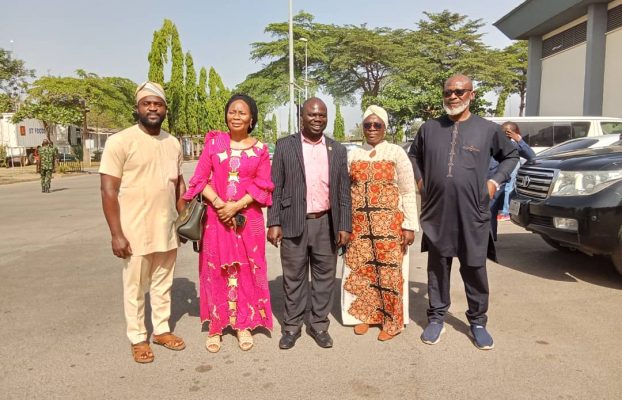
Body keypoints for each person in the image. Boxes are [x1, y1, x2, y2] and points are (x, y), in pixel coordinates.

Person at [409, 74, 518, 350]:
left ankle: (478, 322)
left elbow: (511, 156)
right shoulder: (429, 128)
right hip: (437, 212)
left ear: (472, 94)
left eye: (459, 91)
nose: (453, 97)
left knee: (474, 267)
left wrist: (494, 183)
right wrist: (421, 182)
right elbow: (413, 156)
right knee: (438, 267)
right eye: (448, 92)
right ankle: (436, 318)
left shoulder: (487, 129)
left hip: (473, 211)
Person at [100, 81, 186, 364]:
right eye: (147, 103)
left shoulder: (173, 143)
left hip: (166, 227)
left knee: (163, 282)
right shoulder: (120, 141)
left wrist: (183, 221)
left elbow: (178, 185)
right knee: (135, 286)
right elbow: (108, 190)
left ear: (165, 109)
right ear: (136, 107)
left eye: (158, 104)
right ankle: (138, 337)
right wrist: (116, 234)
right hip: (133, 229)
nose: (152, 108)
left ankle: (161, 330)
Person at [182, 94, 274, 353]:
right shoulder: (214, 144)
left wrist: (235, 206)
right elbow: (199, 180)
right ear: (226, 115)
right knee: (215, 271)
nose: (236, 116)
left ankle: (244, 324)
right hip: (216, 220)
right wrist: (221, 204)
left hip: (248, 220)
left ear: (251, 118)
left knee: (247, 269)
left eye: (242, 112)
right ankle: (216, 326)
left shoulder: (260, 149)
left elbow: (263, 184)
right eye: (232, 111)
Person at [267, 97, 352, 350]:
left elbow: (343, 191)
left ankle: (319, 325)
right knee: (293, 277)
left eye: (322, 115)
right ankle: (292, 326)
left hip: (326, 222)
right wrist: (274, 221)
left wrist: (344, 225)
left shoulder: (337, 150)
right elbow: (276, 187)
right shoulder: (285, 146)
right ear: (302, 116)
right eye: (312, 114)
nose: (317, 119)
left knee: (324, 277)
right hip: (294, 221)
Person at [341, 105, 419, 341]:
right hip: (360, 226)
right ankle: (367, 315)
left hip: (389, 227)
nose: (372, 129)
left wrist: (409, 225)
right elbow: (346, 189)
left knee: (389, 274)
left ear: (385, 127)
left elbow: (407, 191)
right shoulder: (353, 154)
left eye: (377, 125)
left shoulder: (396, 153)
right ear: (362, 127)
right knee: (364, 271)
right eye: (368, 125)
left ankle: (392, 321)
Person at [490, 122, 536, 240]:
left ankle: (488, 240)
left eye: (507, 132)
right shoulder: (494, 143)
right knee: (489, 212)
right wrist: (519, 140)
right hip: (492, 183)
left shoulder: (512, 145)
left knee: (490, 212)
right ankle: (487, 240)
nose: (505, 133)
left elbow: (532, 157)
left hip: (497, 184)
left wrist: (519, 141)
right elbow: (532, 156)